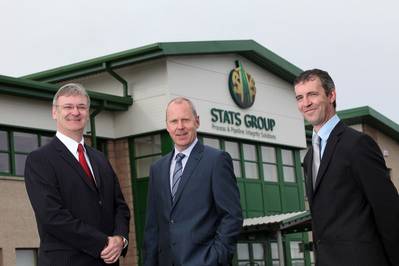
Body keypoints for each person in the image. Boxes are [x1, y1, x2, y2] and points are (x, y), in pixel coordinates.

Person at [294, 69, 399, 266]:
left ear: (331, 95)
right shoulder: (309, 158)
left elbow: (389, 211)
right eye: (300, 97)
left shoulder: (357, 144)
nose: (305, 103)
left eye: (312, 94)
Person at [24, 83, 130, 266]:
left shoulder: (100, 159)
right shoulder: (39, 160)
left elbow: (119, 206)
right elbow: (52, 216)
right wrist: (103, 243)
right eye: (68, 107)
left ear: (88, 113)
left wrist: (120, 239)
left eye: (81, 107)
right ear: (54, 112)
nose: (75, 112)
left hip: (107, 261)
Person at [143, 97, 243, 266]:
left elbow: (232, 216)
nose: (180, 127)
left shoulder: (216, 160)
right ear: (167, 126)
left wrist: (217, 258)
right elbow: (152, 226)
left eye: (185, 120)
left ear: (197, 121)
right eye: (174, 121)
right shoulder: (157, 169)